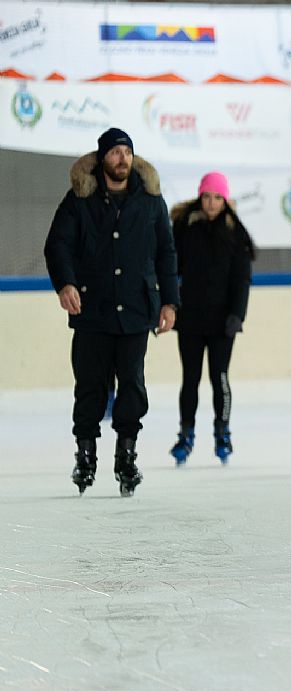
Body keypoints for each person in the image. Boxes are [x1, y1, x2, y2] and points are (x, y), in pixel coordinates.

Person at [44, 127, 179, 496]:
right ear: (102, 157)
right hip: (93, 309)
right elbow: (58, 245)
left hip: (137, 308)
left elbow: (166, 253)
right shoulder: (79, 200)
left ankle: (127, 453)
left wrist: (170, 301)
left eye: (127, 152)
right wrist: (66, 284)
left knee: (133, 384)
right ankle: (85, 452)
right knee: (89, 384)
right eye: (115, 152)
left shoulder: (151, 201)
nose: (122, 158)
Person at [169, 172, 256, 466]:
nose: (211, 202)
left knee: (219, 378)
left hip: (222, 322)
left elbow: (242, 278)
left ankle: (223, 432)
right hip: (191, 318)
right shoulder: (185, 227)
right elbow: (170, 266)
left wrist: (237, 314)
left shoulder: (234, 233)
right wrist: (170, 303)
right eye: (206, 196)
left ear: (225, 200)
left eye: (217, 197)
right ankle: (186, 433)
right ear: (199, 196)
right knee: (189, 379)